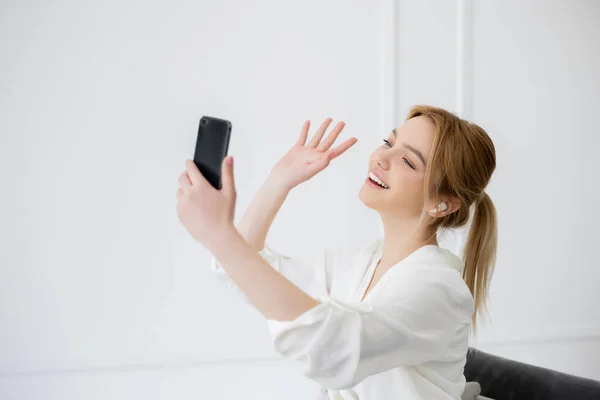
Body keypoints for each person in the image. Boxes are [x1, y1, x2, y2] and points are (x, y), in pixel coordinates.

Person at [176, 105, 498, 400]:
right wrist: (279, 181)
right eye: (388, 143)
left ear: (442, 203)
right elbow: (244, 273)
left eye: (407, 161)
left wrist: (220, 234)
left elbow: (333, 350)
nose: (379, 158)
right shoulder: (360, 265)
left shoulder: (438, 290)